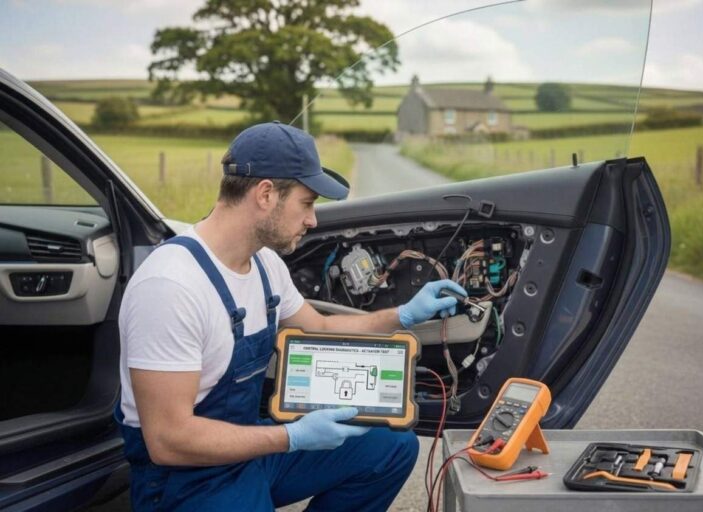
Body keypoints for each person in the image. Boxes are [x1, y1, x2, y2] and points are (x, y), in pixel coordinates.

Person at [116, 121, 468, 511]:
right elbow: (168, 440)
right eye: (307, 202)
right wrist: (291, 437)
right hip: (184, 480)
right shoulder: (171, 286)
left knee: (392, 446)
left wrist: (403, 314)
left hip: (245, 452)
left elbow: (319, 327)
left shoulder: (265, 265)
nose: (313, 220)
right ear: (266, 194)